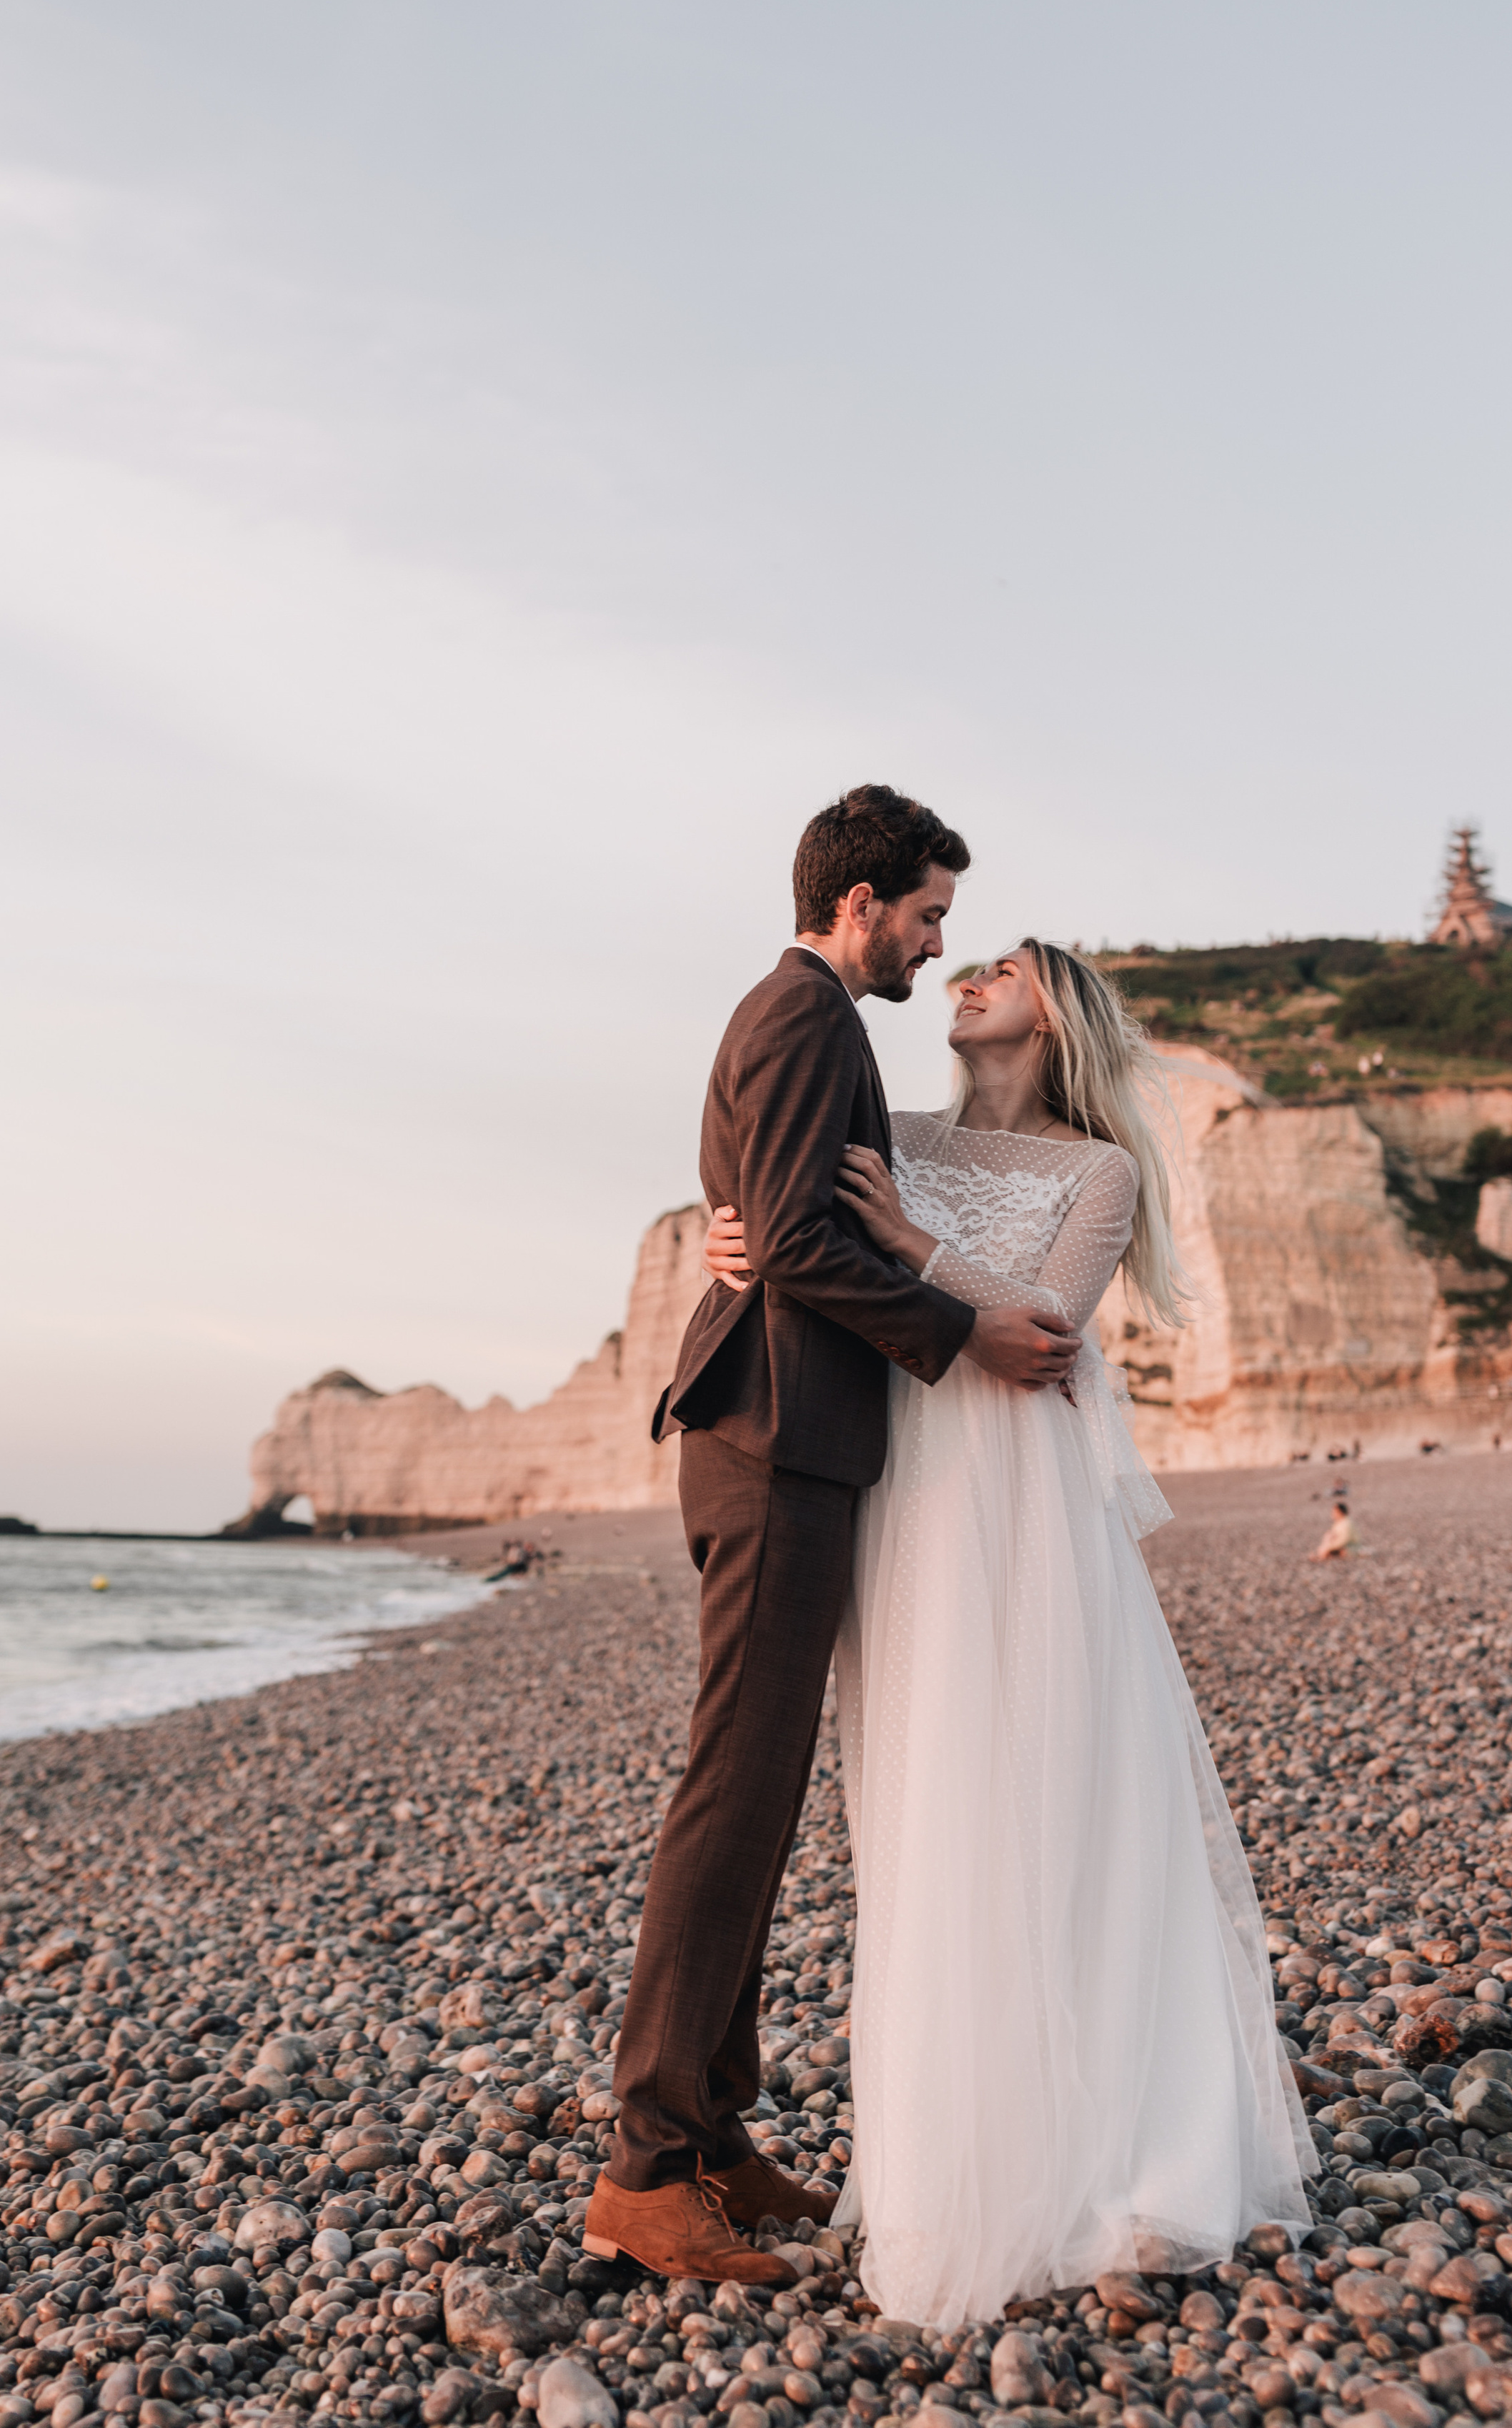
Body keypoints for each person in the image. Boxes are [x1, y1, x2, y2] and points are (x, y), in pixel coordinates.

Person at [697, 939, 1313, 2324]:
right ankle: (946, 2162)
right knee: (922, 1803)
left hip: (1020, 1509)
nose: (964, 977)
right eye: (959, 957)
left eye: (1000, 969)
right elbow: (783, 1204)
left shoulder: (1099, 1174)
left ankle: (1097, 2146)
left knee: (1040, 1791)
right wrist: (722, 1228)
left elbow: (1047, 1332)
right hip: (898, 1486)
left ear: (1058, 1017)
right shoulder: (890, 1130)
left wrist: (914, 1243)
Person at [584, 788, 1083, 2288]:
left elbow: (761, 1204)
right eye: (927, 914)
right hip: (772, 1438)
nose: (937, 946)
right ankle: (646, 2170)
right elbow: (794, 1239)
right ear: (858, 900)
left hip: (777, 1435)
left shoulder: (788, 1019)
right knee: (731, 1792)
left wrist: (742, 1217)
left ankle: (718, 2136)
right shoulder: (805, 1020)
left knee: (759, 1786)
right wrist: (965, 1336)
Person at [1310, 1485, 1361, 1561]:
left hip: (1350, 1547)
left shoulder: (1347, 1523)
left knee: (1334, 1549)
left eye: (1334, 1511)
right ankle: (1320, 1554)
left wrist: (1329, 1547)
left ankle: (1320, 1555)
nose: (1332, 1513)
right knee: (1328, 1536)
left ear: (1339, 1512)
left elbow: (1344, 1540)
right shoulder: (1339, 1523)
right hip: (1340, 1546)